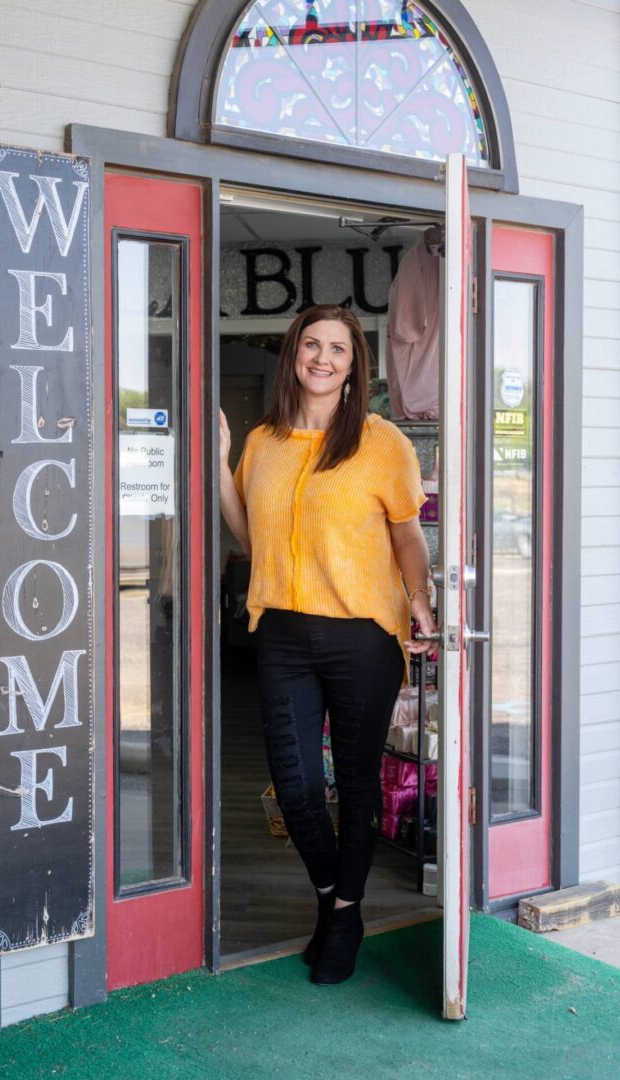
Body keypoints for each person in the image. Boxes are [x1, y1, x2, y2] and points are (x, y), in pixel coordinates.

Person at [219, 304, 437, 985]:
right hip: (281, 633)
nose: (322, 357)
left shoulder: (382, 442)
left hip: (363, 637)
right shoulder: (262, 441)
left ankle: (345, 910)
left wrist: (424, 606)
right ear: (293, 355)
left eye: (337, 348)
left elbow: (407, 534)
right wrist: (215, 461)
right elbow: (248, 538)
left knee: (359, 782)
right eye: (311, 344)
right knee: (297, 787)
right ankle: (333, 903)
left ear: (353, 363)